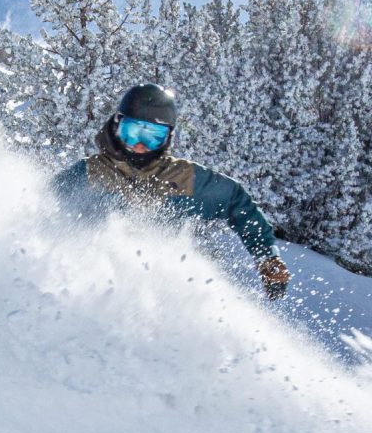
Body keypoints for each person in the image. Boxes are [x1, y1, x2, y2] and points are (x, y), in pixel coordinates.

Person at [52, 83, 292, 299]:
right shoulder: (88, 174)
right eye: (132, 132)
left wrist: (267, 257)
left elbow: (236, 203)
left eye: (152, 137)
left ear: (167, 138)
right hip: (94, 288)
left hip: (164, 292)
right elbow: (40, 209)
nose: (139, 146)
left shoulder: (183, 178)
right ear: (117, 126)